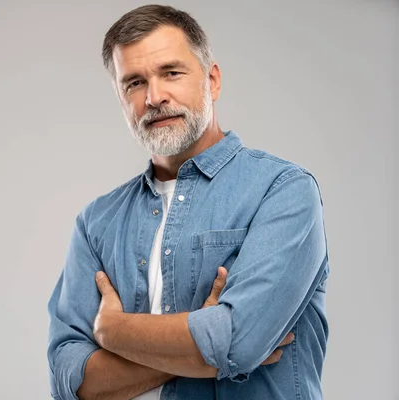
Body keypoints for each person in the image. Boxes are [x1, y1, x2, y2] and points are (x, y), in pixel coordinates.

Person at [47, 4, 330, 400]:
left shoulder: (283, 190)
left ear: (211, 80)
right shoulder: (97, 222)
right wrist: (204, 340)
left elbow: (240, 341)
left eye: (171, 73)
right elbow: (71, 380)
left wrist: (112, 330)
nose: (154, 97)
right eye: (134, 83)